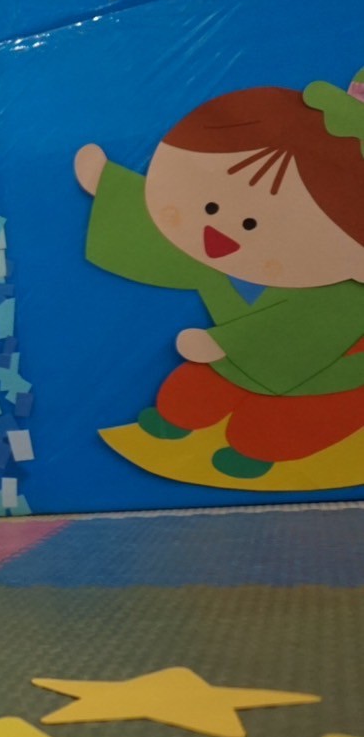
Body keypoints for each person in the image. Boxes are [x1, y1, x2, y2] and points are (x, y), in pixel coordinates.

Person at [74, 72, 364, 479]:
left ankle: (257, 451)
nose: (222, 235)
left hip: (317, 372)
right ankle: (179, 418)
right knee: (192, 390)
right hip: (234, 350)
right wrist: (113, 189)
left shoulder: (341, 295)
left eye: (251, 225)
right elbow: (177, 238)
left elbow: (301, 332)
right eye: (212, 209)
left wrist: (225, 341)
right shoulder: (235, 257)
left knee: (275, 422)